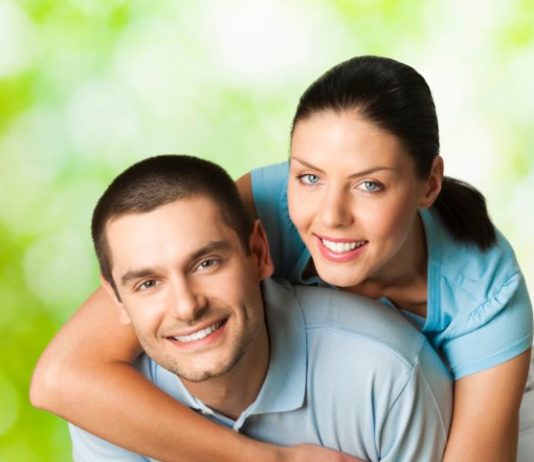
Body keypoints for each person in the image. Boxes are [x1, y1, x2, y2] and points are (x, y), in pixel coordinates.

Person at [31, 56, 533, 461]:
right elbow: (63, 378)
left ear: (429, 183)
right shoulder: (265, 206)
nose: (331, 216)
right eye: (309, 177)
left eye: (369, 185)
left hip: (478, 411)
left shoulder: (486, 297)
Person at [67, 154, 451, 461]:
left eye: (206, 264)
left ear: (259, 253)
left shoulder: (387, 374)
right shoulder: (109, 413)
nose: (186, 307)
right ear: (117, 298)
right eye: (148, 284)